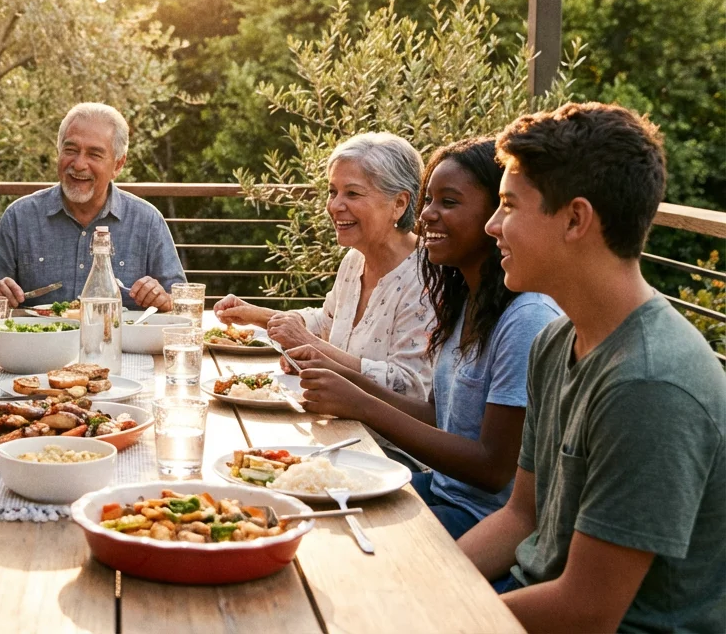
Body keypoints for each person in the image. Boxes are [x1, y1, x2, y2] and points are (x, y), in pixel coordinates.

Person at [457, 102, 726, 632]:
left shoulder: (651, 384)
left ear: (576, 219)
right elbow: (521, 517)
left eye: (509, 205)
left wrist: (429, 618)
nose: (491, 225)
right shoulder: (556, 340)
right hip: (524, 602)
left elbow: (587, 612)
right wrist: (424, 585)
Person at [290, 138, 560, 538]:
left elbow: (492, 469)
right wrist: (343, 380)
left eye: (448, 202)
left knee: (329, 536)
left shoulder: (526, 319)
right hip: (440, 488)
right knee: (297, 494)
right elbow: (438, 417)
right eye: (429, 200)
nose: (427, 215)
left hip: (480, 519)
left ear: (495, 216)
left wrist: (362, 404)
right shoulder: (463, 301)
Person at [215, 132, 435, 400]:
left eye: (352, 193)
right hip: (336, 420)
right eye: (333, 191)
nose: (334, 205)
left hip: (379, 441)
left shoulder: (426, 276)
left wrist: (311, 347)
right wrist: (255, 314)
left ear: (399, 203)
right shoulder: (355, 260)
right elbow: (327, 322)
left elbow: (409, 387)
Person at [0, 102, 186, 311]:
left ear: (118, 165)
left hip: (120, 343)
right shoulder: (19, 217)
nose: (78, 164)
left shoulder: (147, 221)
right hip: (39, 343)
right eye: (71, 150)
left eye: (94, 154)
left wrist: (163, 300)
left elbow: (179, 301)